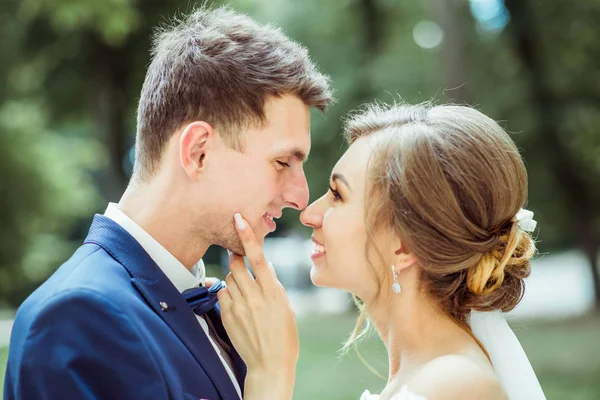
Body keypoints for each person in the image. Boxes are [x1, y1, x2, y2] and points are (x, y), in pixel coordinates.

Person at [3, 5, 333, 400]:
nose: (300, 195)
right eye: (282, 162)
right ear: (198, 152)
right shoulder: (74, 318)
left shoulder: (228, 317)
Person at [220, 102, 547, 400]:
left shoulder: (452, 385)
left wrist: (271, 375)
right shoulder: (426, 376)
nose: (308, 214)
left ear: (404, 245)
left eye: (338, 195)